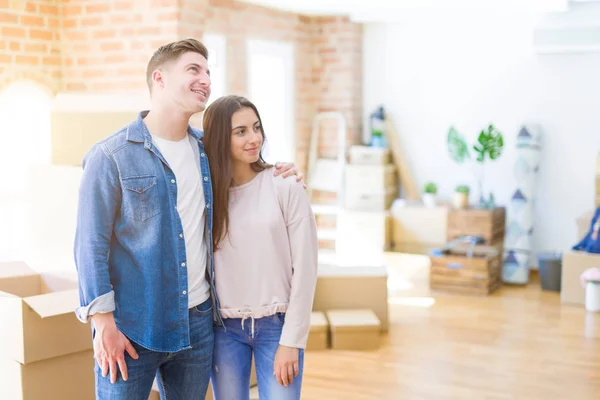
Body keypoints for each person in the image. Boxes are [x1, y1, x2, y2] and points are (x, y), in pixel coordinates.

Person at [73, 38, 302, 400]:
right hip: (132, 328)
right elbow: (90, 246)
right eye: (193, 70)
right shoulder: (110, 156)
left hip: (198, 325)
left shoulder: (207, 150)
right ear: (159, 79)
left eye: (208, 72)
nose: (206, 80)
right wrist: (102, 324)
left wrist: (280, 169)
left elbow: (248, 166)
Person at [202, 95, 318, 400]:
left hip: (277, 329)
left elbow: (306, 270)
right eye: (240, 132)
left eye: (256, 128)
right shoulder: (206, 197)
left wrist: (292, 341)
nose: (254, 138)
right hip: (223, 330)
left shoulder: (285, 186)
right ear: (218, 139)